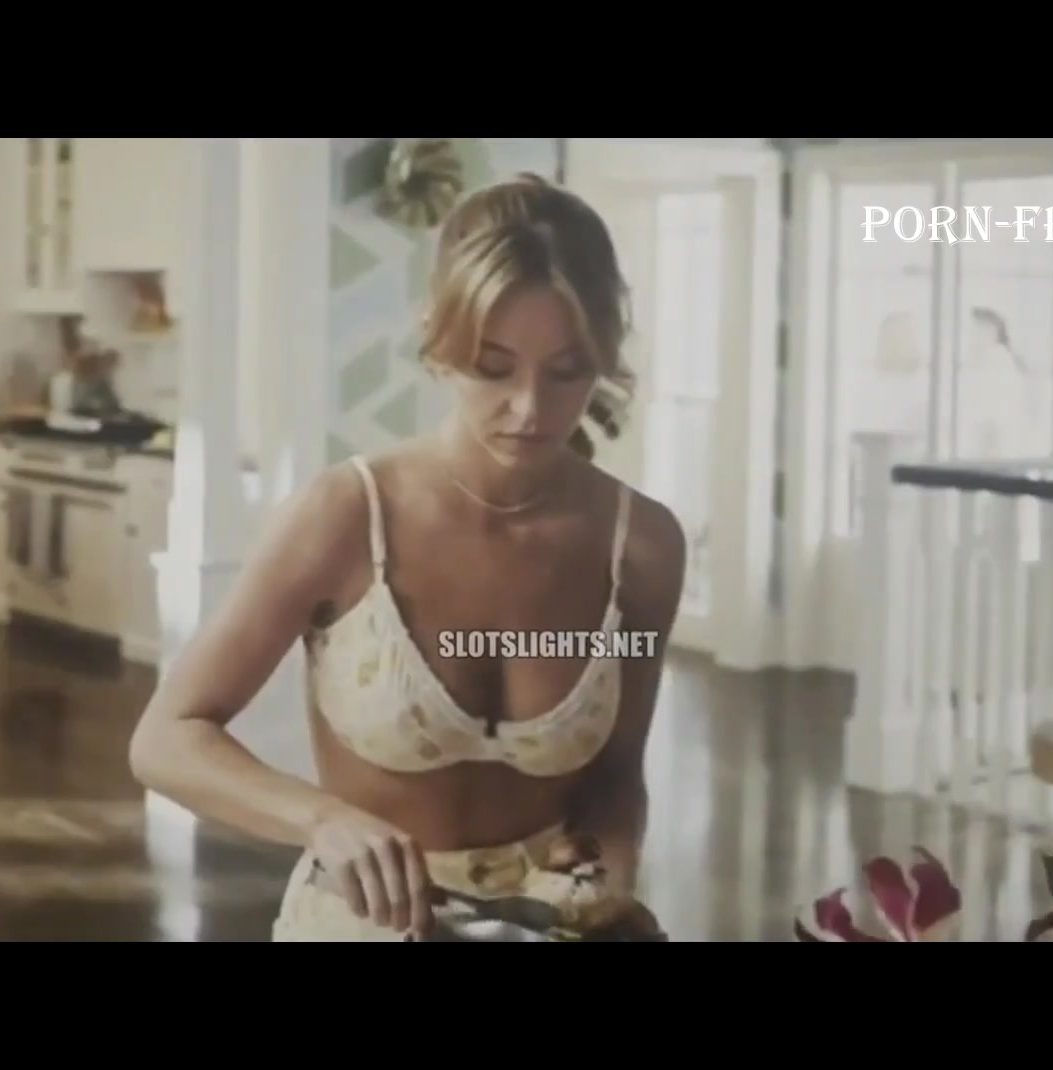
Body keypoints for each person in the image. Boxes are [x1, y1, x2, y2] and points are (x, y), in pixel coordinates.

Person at [128, 172, 688, 941]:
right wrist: (321, 818)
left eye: (566, 372)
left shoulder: (642, 547)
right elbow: (165, 738)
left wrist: (600, 880)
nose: (530, 408)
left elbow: (617, 778)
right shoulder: (345, 517)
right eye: (494, 366)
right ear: (439, 342)